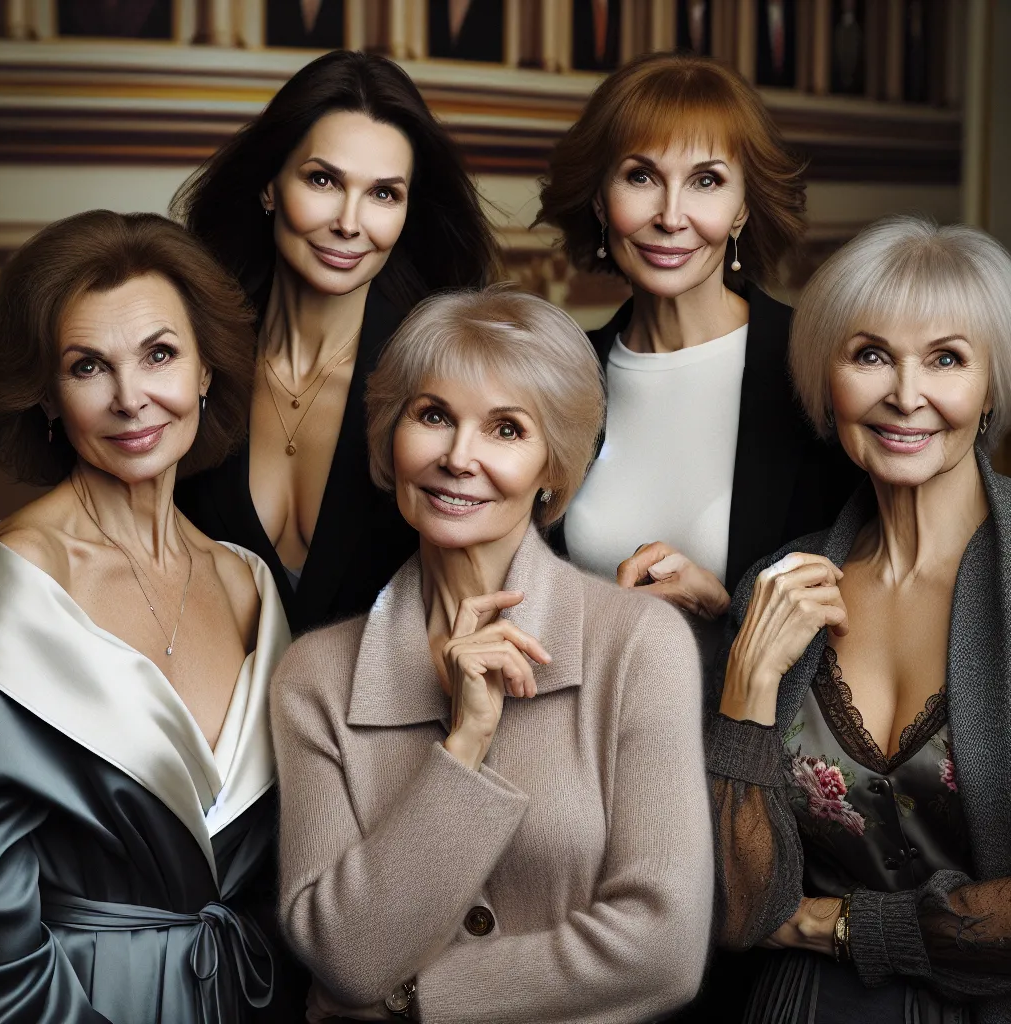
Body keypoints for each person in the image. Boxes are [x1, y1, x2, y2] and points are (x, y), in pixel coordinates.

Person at [271, 287, 714, 1023]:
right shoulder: (315, 677)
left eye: (506, 429)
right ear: (390, 436)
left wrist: (417, 1000)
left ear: (553, 467)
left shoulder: (639, 644)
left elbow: (663, 949)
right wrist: (465, 743)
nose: (458, 457)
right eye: (433, 416)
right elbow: (346, 958)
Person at [0, 210, 297, 1023]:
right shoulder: (9, 588)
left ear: (205, 369)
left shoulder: (248, 585)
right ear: (47, 394)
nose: (131, 399)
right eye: (89, 366)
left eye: (160, 354)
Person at [708, 216, 1011, 1024]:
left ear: (991, 388)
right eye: (871, 355)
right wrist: (747, 684)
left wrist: (838, 924)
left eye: (946, 359)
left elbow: (790, 919)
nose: (906, 395)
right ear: (827, 380)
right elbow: (740, 912)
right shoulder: (777, 583)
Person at [173, 50, 500, 634]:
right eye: (323, 180)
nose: (350, 223)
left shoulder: (439, 384)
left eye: (383, 194)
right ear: (269, 186)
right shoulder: (187, 358)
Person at [535, 51, 862, 635]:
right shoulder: (557, 373)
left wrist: (727, 612)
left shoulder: (818, 368)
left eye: (706, 181)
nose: (670, 216)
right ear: (599, 200)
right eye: (641, 177)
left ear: (741, 210)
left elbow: (878, 605)